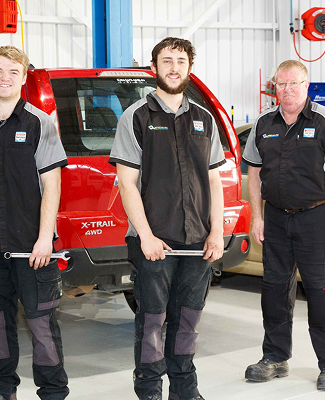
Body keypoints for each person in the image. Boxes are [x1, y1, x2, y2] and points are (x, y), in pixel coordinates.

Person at [109, 37, 225, 400]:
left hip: (198, 240)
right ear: (154, 67)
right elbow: (127, 183)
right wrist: (145, 236)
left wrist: (216, 233)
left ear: (189, 67)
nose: (174, 68)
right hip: (153, 241)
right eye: (167, 61)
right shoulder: (136, 117)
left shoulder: (204, 118)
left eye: (180, 61)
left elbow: (214, 180)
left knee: (188, 319)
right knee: (152, 321)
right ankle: (149, 391)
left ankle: (185, 390)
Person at [0, 45, 69, 400]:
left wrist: (45, 238)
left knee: (41, 324)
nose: (5, 78)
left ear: (22, 78)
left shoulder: (39, 123)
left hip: (32, 248)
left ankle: (53, 391)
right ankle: (1, 389)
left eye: (13, 72)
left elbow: (52, 184)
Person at [242, 60, 325, 390]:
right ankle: (275, 357)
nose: (288, 89)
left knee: (321, 291)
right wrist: (258, 216)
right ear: (275, 88)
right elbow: (254, 172)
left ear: (307, 86)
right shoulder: (264, 123)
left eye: (294, 83)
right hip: (276, 218)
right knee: (274, 290)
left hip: (316, 218)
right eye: (282, 84)